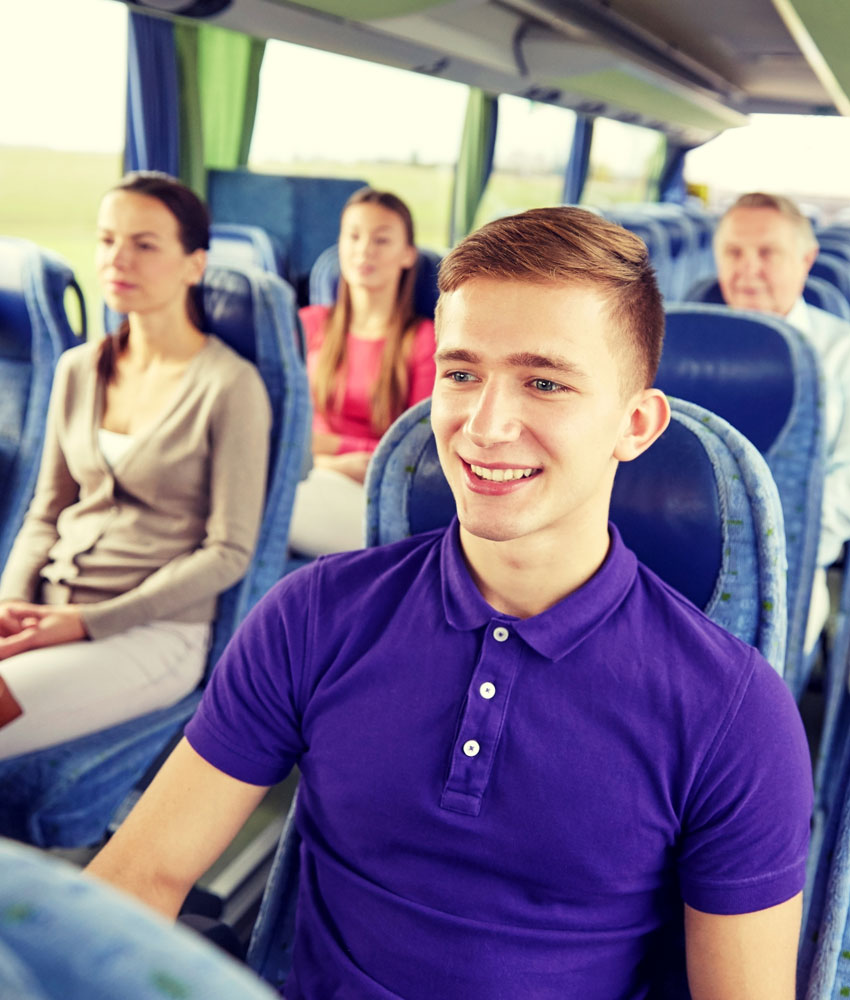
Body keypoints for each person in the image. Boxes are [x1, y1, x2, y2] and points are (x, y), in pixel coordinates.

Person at [87, 207, 812, 1000]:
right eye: (462, 374)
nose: (485, 425)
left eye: (544, 382)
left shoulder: (734, 713)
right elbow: (142, 875)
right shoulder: (314, 618)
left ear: (634, 425)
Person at [0, 172, 271, 759]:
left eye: (144, 244)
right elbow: (46, 511)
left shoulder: (231, 387)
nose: (118, 259)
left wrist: (87, 621)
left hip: (153, 631)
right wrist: (11, 602)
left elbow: (227, 553)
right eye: (106, 240)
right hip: (48, 604)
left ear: (193, 264)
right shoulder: (78, 369)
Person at [713, 191, 850, 647]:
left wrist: (781, 543)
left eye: (767, 252)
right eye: (733, 252)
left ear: (807, 258)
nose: (747, 269)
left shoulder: (842, 355)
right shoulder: (680, 345)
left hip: (791, 563)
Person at [287, 187, 436, 556]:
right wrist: (326, 459)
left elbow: (416, 453)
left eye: (381, 239)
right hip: (307, 472)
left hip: (371, 491)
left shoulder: (424, 341)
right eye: (353, 236)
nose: (364, 249)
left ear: (407, 256)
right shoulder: (308, 324)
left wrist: (331, 450)